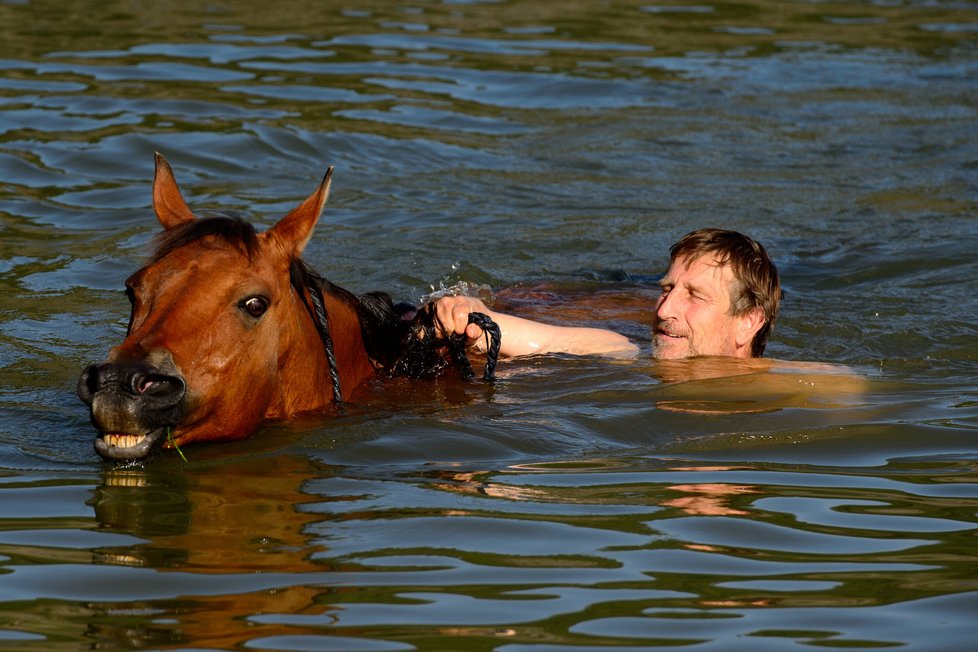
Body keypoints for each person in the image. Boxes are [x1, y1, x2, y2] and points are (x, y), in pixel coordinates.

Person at [432, 228, 782, 362]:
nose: (663, 309)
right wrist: (471, 313)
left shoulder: (792, 384)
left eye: (694, 295)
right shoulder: (625, 351)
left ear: (748, 321)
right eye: (666, 288)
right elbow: (543, 338)